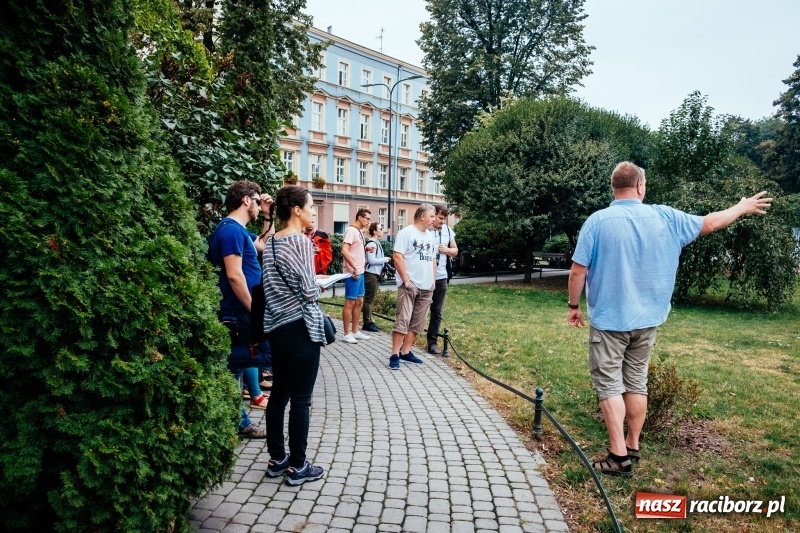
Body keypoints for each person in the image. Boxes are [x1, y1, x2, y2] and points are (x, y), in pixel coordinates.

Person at [567, 162, 772, 477]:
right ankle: (632, 446)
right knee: (636, 381)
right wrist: (741, 207)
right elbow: (711, 223)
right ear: (640, 187)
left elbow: (579, 269)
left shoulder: (597, 221)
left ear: (614, 188)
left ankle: (618, 457)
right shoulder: (666, 217)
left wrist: (573, 305)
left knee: (609, 384)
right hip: (648, 320)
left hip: (609, 322)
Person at [261, 185, 326, 486]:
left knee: (278, 396)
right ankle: (298, 466)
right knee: (301, 400)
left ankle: (277, 459)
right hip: (300, 328)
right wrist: (321, 281)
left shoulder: (271, 241)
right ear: (297, 210)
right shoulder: (300, 242)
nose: (314, 211)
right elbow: (309, 291)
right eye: (311, 206)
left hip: (276, 328)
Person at [207, 180, 275, 438]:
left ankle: (238, 421)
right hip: (238, 312)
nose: (259, 206)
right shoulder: (231, 231)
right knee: (234, 365)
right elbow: (235, 276)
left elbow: (265, 246)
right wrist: (254, 309)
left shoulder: (238, 231)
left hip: (241, 311)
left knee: (235, 367)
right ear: (246, 200)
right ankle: (236, 422)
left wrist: (268, 216)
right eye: (258, 201)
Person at [389, 204, 437, 370]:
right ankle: (395, 354)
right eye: (431, 216)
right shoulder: (406, 233)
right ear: (422, 216)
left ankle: (406, 352)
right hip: (410, 284)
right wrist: (405, 280)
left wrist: (433, 281)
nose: (434, 219)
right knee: (403, 319)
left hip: (426, 285)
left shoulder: (430, 236)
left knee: (417, 322)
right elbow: (397, 256)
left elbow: (432, 259)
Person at [426, 205, 458, 354]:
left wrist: (447, 250)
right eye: (440, 218)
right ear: (434, 216)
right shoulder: (426, 230)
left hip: (441, 276)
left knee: (437, 311)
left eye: (445, 219)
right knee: (419, 308)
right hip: (425, 275)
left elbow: (455, 250)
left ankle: (432, 342)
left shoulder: (448, 231)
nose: (443, 221)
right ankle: (409, 339)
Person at [340, 208, 375, 344]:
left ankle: (355, 331)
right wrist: (353, 268)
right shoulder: (351, 231)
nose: (368, 221)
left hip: (360, 271)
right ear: (360, 217)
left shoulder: (359, 232)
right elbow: (344, 250)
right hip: (352, 272)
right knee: (350, 302)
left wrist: (366, 248)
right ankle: (346, 333)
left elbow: (354, 248)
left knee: (359, 302)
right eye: (367, 218)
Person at [362, 222, 390, 333]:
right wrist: (386, 259)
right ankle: (367, 323)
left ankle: (369, 321)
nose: (382, 230)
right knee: (369, 299)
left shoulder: (376, 243)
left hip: (374, 274)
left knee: (370, 298)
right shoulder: (372, 243)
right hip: (370, 274)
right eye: (380, 228)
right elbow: (371, 261)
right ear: (374, 231)